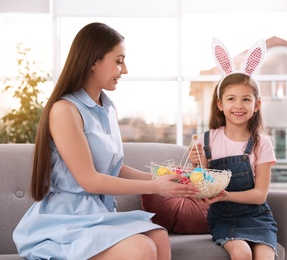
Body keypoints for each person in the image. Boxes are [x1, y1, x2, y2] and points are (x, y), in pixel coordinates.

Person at [13, 22, 198, 260]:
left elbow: (113, 167)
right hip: (67, 220)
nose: (125, 70)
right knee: (143, 248)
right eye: (119, 61)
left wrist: (163, 178)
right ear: (93, 61)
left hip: (97, 214)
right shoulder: (64, 110)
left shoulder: (108, 108)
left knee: (158, 236)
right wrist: (155, 187)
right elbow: (90, 180)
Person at [189, 38, 278, 260]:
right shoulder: (207, 140)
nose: (238, 105)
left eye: (246, 99)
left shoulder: (262, 143)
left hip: (257, 218)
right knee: (241, 252)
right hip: (224, 218)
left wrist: (226, 194)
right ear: (220, 104)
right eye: (231, 99)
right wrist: (197, 164)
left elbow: (260, 195)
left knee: (265, 255)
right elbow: (201, 184)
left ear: (256, 105)